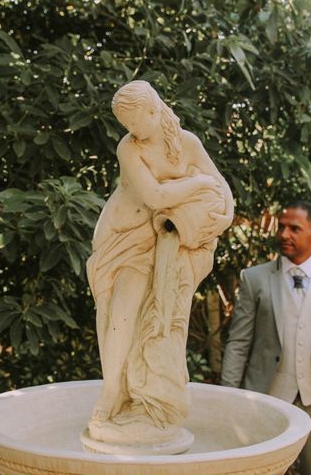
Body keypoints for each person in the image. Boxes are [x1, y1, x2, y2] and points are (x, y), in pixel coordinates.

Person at [86, 80, 233, 443]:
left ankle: (151, 402)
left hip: (164, 242)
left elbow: (223, 190)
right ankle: (112, 394)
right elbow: (154, 196)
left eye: (136, 124)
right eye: (127, 127)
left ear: (154, 110)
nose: (132, 132)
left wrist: (218, 212)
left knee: (159, 319)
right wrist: (198, 187)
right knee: (120, 313)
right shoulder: (128, 148)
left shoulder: (188, 143)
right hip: (123, 238)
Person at [221, 200, 311, 474]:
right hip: (264, 401)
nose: (284, 234)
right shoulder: (255, 279)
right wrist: (231, 398)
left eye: (294, 228)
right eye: (282, 227)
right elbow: (238, 344)